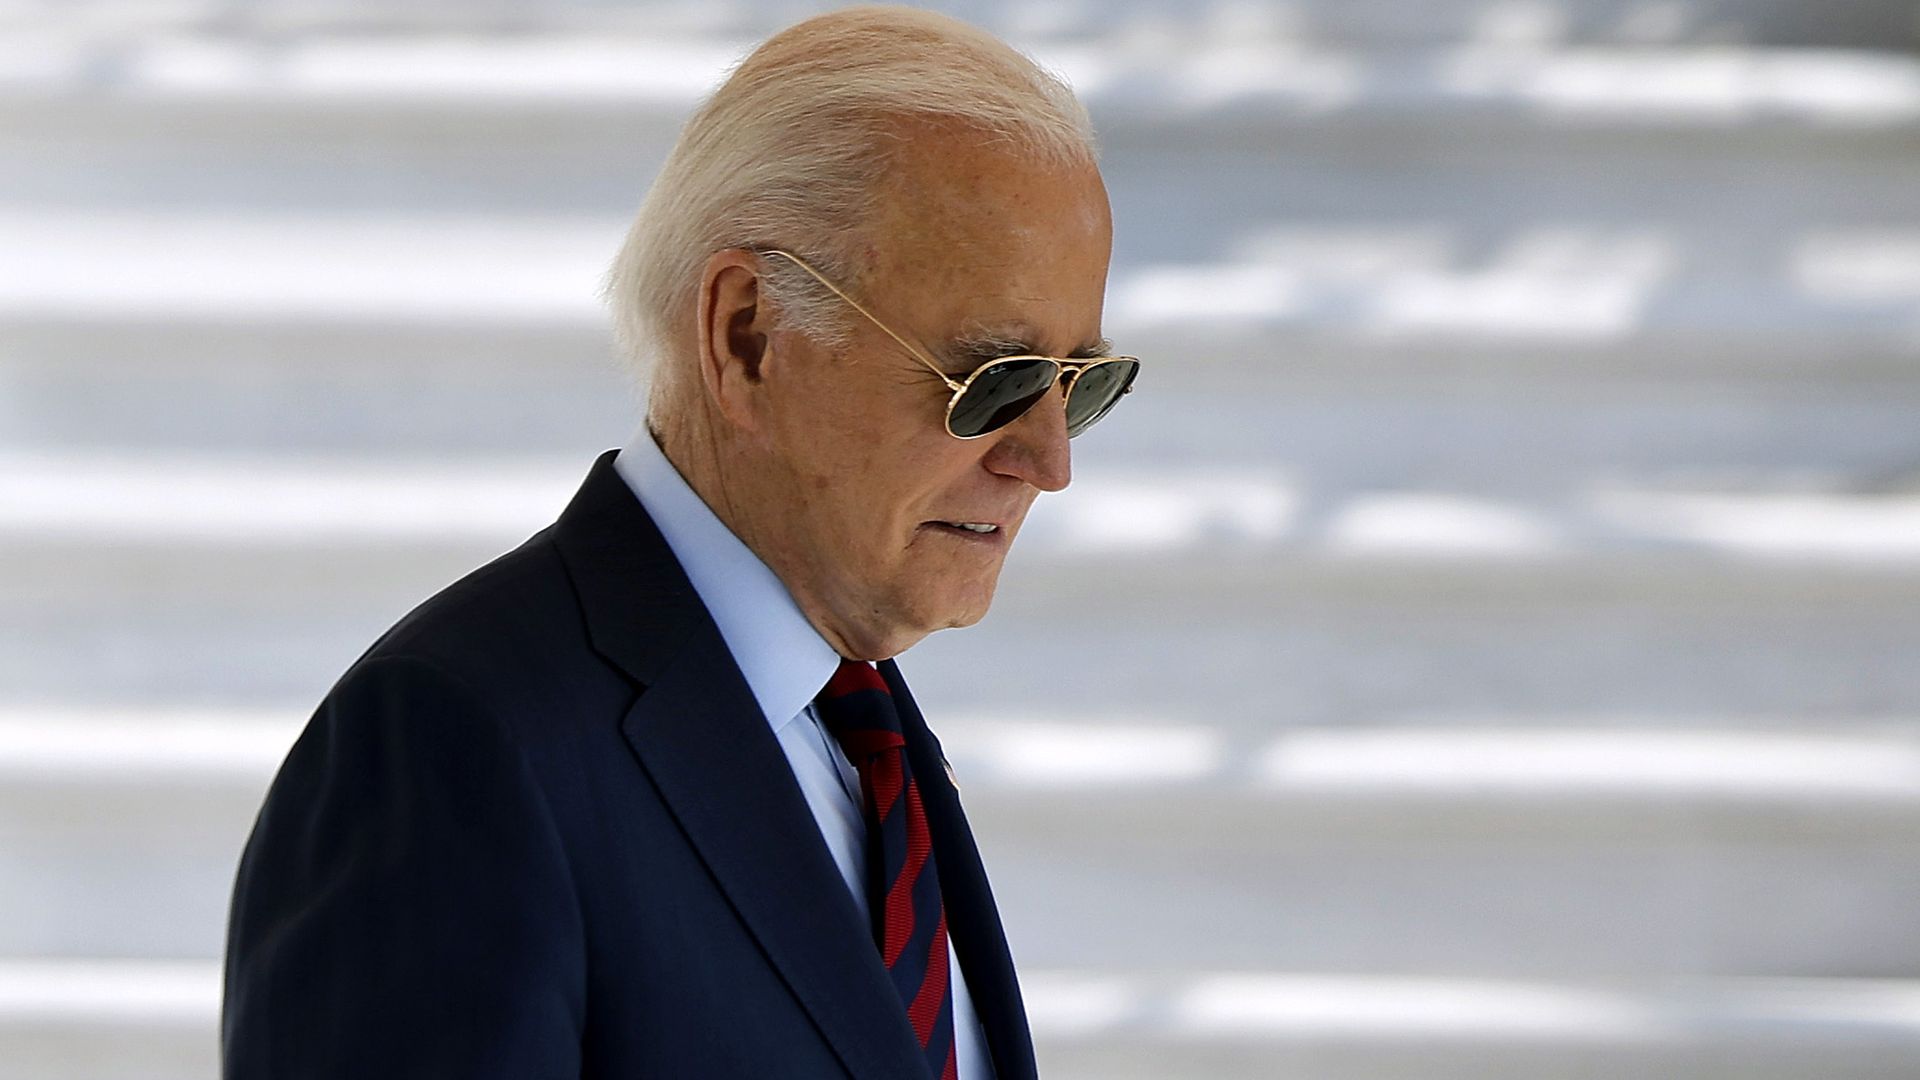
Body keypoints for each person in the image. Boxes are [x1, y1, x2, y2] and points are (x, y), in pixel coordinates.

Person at [221, 6, 1138, 1078]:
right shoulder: (451, 749)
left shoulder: (856, 730)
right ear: (746, 334)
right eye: (997, 381)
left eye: (1080, 385)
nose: (1049, 461)